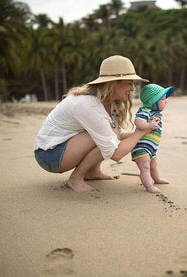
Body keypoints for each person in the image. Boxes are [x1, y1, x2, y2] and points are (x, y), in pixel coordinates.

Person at [34, 55, 159, 192]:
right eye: (129, 83)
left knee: (109, 134)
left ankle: (92, 172)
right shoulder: (89, 104)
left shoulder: (110, 102)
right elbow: (115, 153)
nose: (132, 88)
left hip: (64, 149)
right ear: (113, 83)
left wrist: (146, 131)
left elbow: (117, 133)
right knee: (106, 137)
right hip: (49, 154)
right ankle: (76, 179)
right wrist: (140, 132)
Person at [131, 84, 173, 193]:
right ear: (153, 101)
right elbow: (138, 121)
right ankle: (149, 186)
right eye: (163, 99)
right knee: (145, 166)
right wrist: (148, 126)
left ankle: (157, 179)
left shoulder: (156, 113)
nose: (166, 102)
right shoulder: (145, 111)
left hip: (151, 148)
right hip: (141, 147)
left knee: (153, 165)